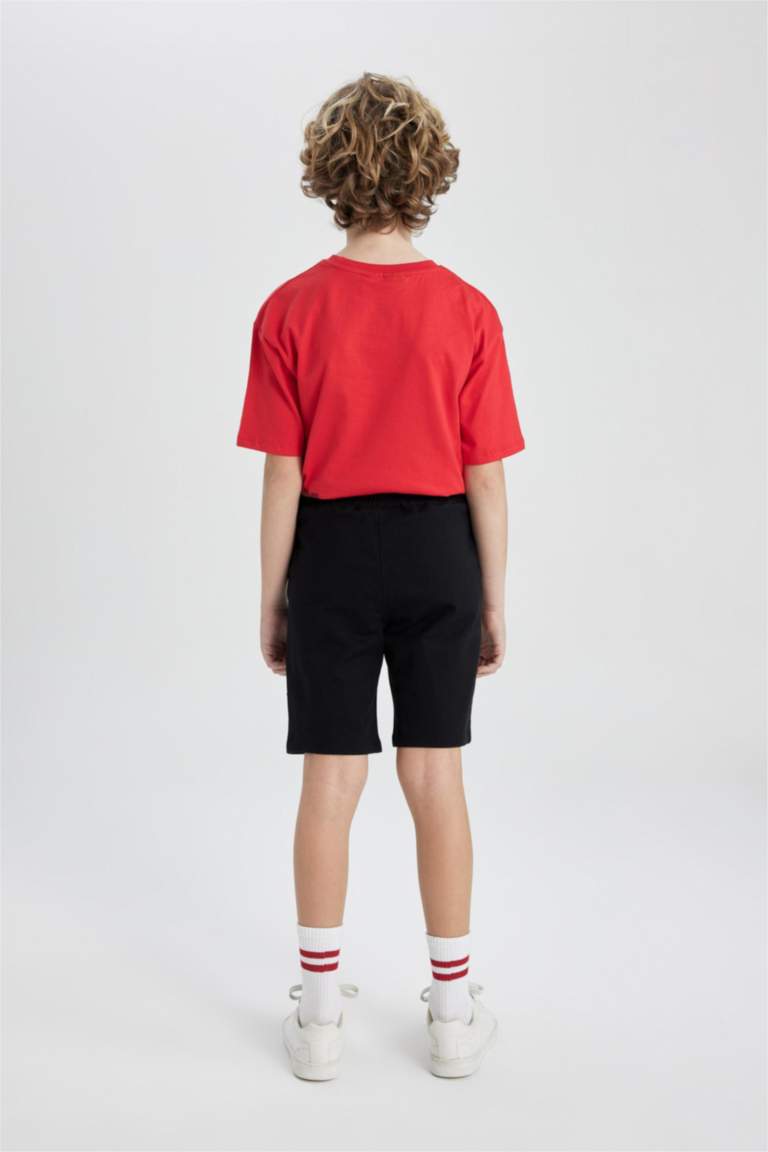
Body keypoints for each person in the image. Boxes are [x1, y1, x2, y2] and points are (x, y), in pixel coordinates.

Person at [236, 72, 525, 1081]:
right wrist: (492, 595)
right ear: (429, 172)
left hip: (331, 551)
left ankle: (319, 1019)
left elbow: (284, 471)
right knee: (435, 774)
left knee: (332, 777)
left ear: (327, 174)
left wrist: (274, 593)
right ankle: (451, 1014)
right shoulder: (468, 310)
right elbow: (485, 474)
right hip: (441, 547)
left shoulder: (290, 308)